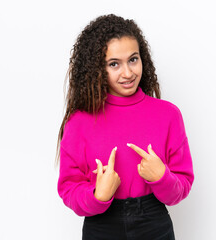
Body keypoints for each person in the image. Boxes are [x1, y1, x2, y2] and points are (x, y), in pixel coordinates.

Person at [55, 14, 194, 240]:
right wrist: (97, 196)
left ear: (143, 59)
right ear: (97, 68)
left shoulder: (168, 115)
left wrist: (161, 177)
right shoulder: (79, 122)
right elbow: (69, 188)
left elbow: (182, 186)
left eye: (133, 59)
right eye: (114, 64)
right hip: (101, 226)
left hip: (154, 224)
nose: (128, 73)